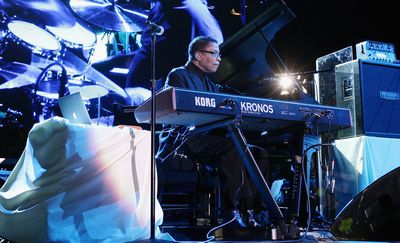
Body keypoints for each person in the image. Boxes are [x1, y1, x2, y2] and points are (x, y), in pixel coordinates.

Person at [156, 36, 269, 227]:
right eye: (214, 53)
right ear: (198, 55)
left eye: (219, 54)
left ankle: (253, 210)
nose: (218, 58)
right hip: (186, 139)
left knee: (260, 153)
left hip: (208, 137)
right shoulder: (178, 75)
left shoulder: (210, 84)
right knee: (234, 148)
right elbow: (179, 113)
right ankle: (232, 212)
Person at [91, 0, 224, 105]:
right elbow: (152, 53)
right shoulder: (164, 8)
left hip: (159, 104)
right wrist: (113, 61)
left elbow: (209, 63)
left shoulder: (186, 11)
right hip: (143, 99)